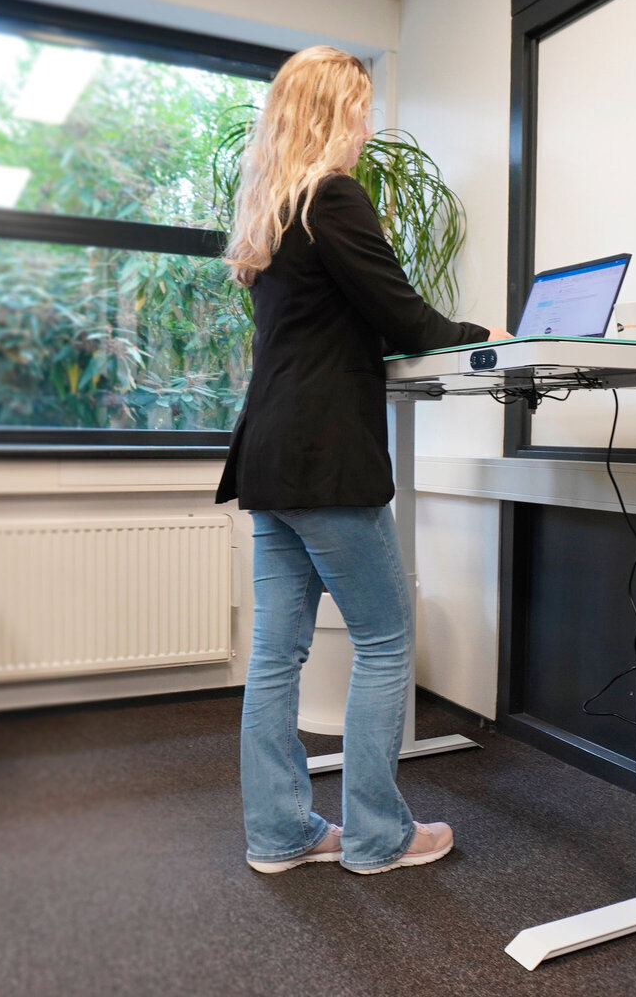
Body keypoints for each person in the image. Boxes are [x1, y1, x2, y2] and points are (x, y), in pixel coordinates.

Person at [215, 45, 510, 875]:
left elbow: (344, 323)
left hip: (269, 459)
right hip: (322, 459)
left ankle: (280, 834)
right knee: (385, 637)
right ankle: (378, 838)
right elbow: (408, 319)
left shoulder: (273, 216)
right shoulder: (332, 197)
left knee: (277, 651)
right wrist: (481, 336)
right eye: (361, 107)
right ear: (333, 112)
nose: (368, 123)